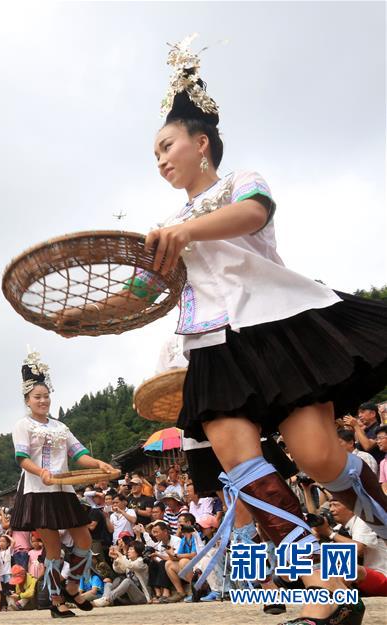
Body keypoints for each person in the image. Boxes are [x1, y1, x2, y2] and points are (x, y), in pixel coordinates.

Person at [95, 34, 387, 625]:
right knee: (245, 471)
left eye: (167, 145)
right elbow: (148, 288)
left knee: (320, 458)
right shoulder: (167, 226)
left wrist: (183, 234)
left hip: (276, 334)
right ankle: (327, 595)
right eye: (154, 152)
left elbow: (254, 214)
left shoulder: (239, 184)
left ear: (201, 143)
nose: (160, 159)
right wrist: (93, 313)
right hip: (214, 350)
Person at [9, 350, 116, 617]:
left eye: (46, 396)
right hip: (38, 491)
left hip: (63, 489)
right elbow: (22, 459)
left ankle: (70, 586)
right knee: (53, 548)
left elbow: (79, 454)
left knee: (84, 539)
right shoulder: (22, 425)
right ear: (27, 400)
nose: (43, 400)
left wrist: (99, 464)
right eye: (37, 397)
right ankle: (56, 601)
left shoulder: (61, 426)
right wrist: (42, 472)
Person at [312, 500, 387, 597]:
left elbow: (358, 549)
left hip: (382, 578)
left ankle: (341, 602)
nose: (331, 510)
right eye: (330, 506)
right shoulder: (339, 528)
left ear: (352, 508)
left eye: (335, 505)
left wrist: (329, 533)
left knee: (347, 567)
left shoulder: (363, 520)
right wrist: (317, 537)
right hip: (362, 584)